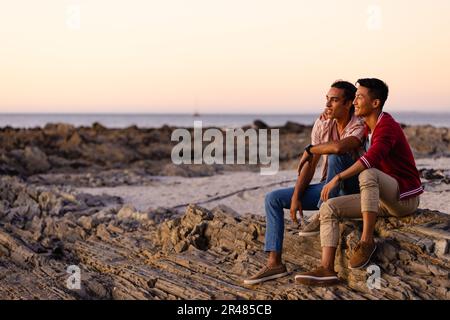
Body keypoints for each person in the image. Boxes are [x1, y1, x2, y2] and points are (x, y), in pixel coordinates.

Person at [295, 78, 423, 286]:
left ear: (375, 103)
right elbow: (343, 133)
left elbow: (369, 161)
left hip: (403, 198)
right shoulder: (367, 128)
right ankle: (327, 269)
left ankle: (366, 241)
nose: (354, 101)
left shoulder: (387, 126)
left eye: (359, 97)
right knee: (329, 208)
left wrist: (337, 177)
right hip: (379, 198)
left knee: (368, 173)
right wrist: (327, 117)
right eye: (354, 98)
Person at [244, 80, 365, 285]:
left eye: (334, 100)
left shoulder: (359, 124)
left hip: (354, 189)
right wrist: (296, 196)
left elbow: (338, 148)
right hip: (330, 187)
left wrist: (309, 149)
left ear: (349, 104)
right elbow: (311, 164)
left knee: (335, 156)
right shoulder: (322, 123)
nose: (327, 105)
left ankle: (322, 213)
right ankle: (275, 263)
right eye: (327, 99)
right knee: (272, 198)